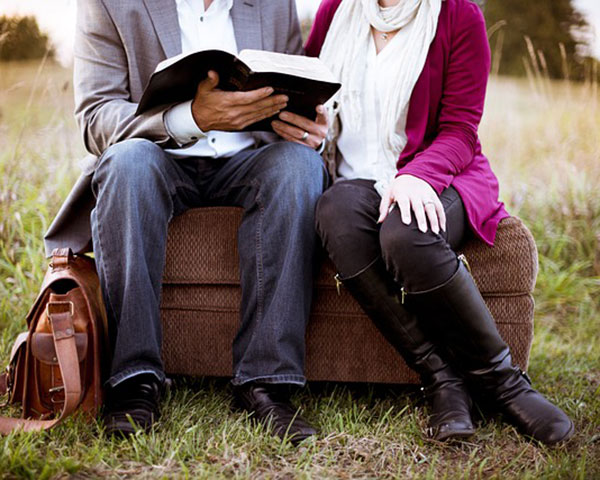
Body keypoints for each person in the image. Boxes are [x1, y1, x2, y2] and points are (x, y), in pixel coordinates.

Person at [285, 0, 573, 445]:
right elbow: (309, 98)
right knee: (335, 213)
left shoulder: (458, 15)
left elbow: (460, 128)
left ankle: (502, 382)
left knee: (406, 232)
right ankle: (443, 380)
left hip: (442, 174)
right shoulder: (335, 12)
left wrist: (417, 175)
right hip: (356, 181)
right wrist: (309, 124)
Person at [43, 0, 329, 444]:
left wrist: (306, 123)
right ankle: (135, 379)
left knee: (299, 167)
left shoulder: (276, 4)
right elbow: (95, 118)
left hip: (250, 158)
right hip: (157, 155)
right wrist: (191, 118)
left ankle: (267, 381)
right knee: (127, 164)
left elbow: (293, 91)